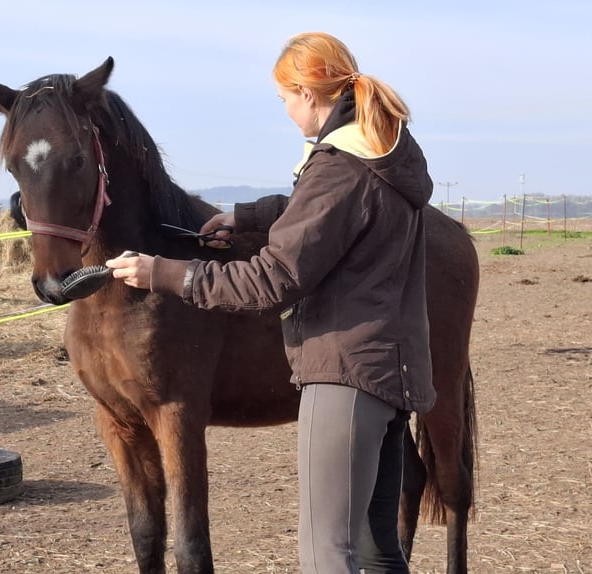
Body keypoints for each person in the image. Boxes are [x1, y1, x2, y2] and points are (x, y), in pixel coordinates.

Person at [106, 31, 434, 574]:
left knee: (326, 551)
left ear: (308, 92)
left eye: (284, 98)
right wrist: (251, 217)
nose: (284, 110)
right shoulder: (379, 157)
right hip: (390, 374)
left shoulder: (337, 167)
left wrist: (161, 273)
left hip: (344, 375)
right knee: (378, 552)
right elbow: (328, 210)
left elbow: (270, 280)